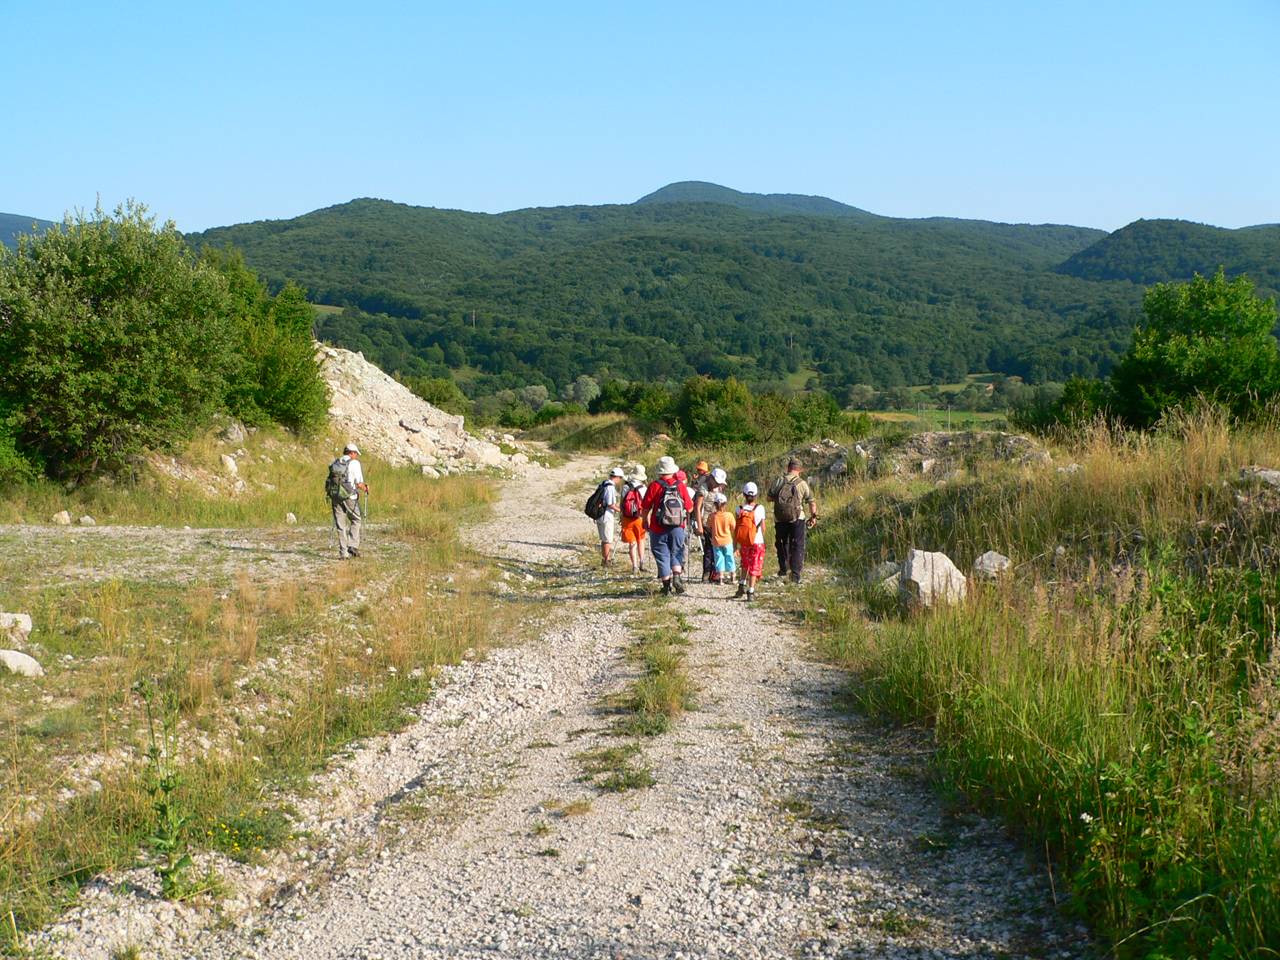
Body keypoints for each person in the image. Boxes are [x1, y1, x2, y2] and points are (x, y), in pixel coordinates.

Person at [642, 455, 694, 595]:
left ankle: (666, 588)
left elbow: (645, 507)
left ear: (660, 471)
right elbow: (690, 508)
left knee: (662, 554)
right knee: (676, 552)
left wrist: (645, 520)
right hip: (677, 527)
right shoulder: (680, 485)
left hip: (658, 527)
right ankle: (676, 576)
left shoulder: (654, 485)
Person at [767, 458, 819, 583]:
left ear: (788, 468)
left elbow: (768, 498)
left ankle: (783, 569)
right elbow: (812, 502)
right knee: (797, 545)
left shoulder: (779, 480)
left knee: (782, 543)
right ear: (800, 470)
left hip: (780, 518)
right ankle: (795, 575)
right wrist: (813, 517)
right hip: (797, 518)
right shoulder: (802, 483)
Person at [327, 442, 368, 560]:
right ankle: (353, 545)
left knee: (341, 525)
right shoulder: (354, 463)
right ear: (352, 453)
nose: (356, 456)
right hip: (349, 496)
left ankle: (343, 553)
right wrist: (365, 488)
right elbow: (359, 483)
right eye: (356, 453)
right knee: (356, 519)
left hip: (335, 496)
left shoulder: (336, 462)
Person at [693, 467, 728, 581]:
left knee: (718, 547)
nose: (717, 484)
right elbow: (697, 508)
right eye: (717, 482)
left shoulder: (718, 488)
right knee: (708, 548)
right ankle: (707, 573)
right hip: (706, 523)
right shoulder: (703, 489)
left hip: (717, 522)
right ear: (711, 478)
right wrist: (699, 526)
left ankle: (716, 572)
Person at [734, 481, 767, 601]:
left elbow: (737, 528)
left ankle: (741, 586)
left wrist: (735, 545)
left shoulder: (739, 509)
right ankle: (751, 591)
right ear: (756, 495)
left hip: (744, 542)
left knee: (745, 564)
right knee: (754, 566)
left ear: (744, 494)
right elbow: (763, 528)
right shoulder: (760, 508)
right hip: (757, 542)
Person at [620, 465, 648, 574]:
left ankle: (634, 566)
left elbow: (622, 503)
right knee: (641, 540)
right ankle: (642, 562)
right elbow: (646, 505)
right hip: (639, 517)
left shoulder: (626, 487)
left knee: (632, 543)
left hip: (627, 518)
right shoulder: (643, 488)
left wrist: (621, 516)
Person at [596, 466, 625, 567]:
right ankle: (607, 561)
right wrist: (621, 511)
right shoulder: (611, 487)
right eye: (620, 478)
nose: (620, 480)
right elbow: (610, 504)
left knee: (604, 539)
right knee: (608, 539)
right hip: (606, 515)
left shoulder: (603, 484)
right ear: (617, 477)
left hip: (599, 515)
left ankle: (604, 559)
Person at [709, 492, 736, 589]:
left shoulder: (712, 516)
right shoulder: (729, 515)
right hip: (727, 540)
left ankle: (721, 577)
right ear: (725, 504)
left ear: (715, 504)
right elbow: (733, 527)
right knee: (730, 557)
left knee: (719, 559)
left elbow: (709, 526)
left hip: (716, 541)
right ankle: (733, 576)